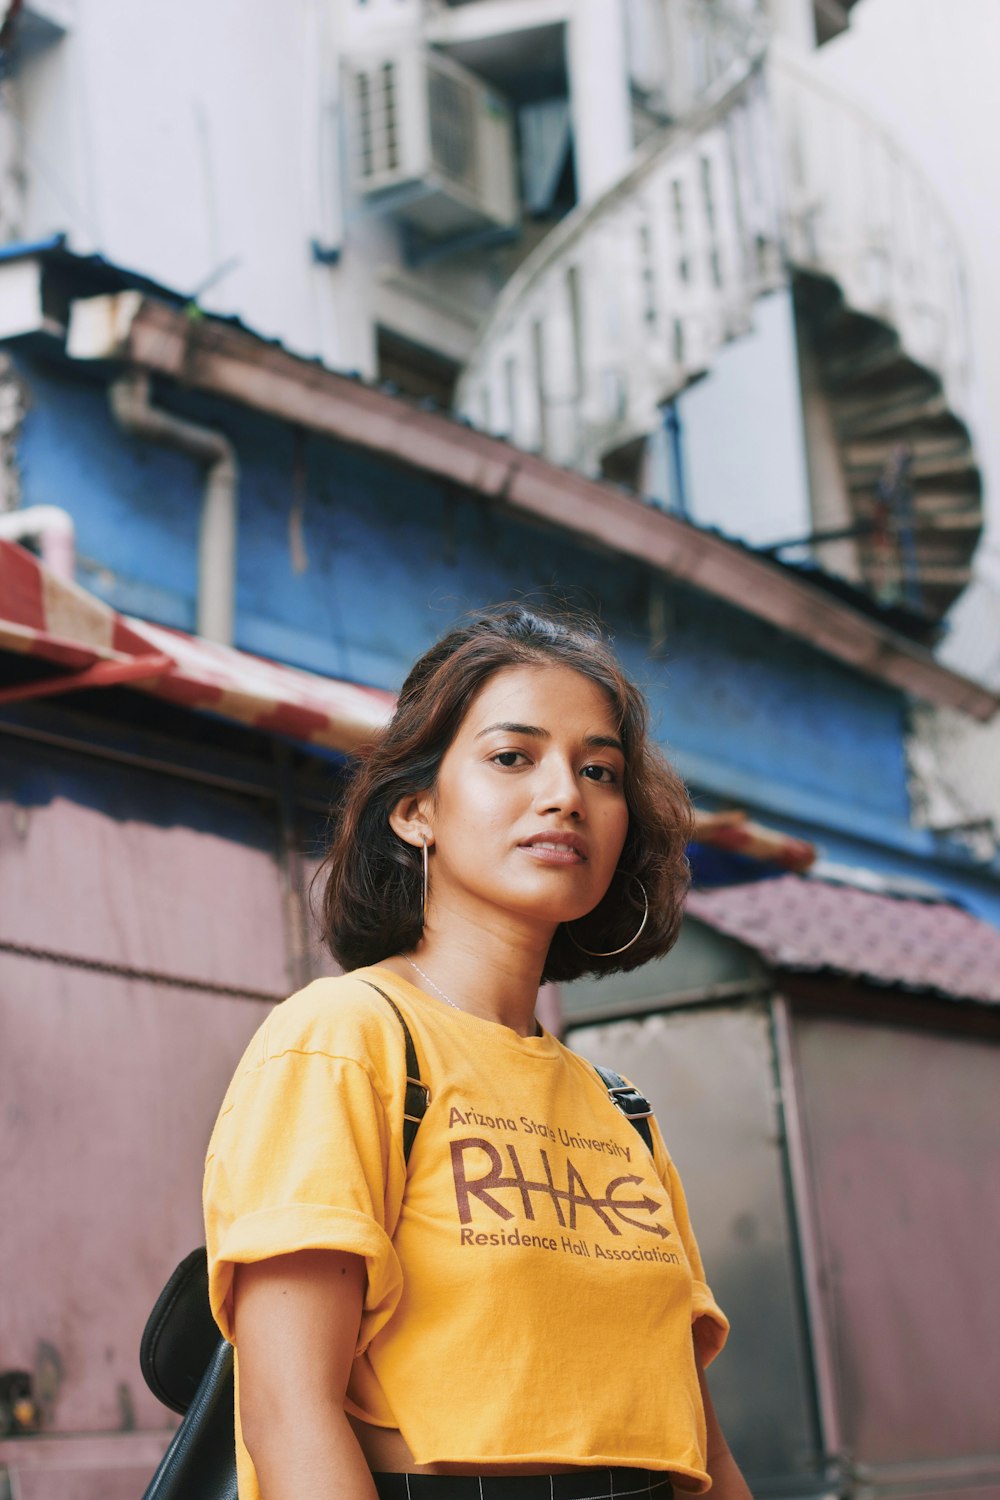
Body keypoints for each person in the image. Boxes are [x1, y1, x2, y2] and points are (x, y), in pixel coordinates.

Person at [203, 606, 752, 1500]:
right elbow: (286, 1414)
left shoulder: (620, 1109)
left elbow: (704, 1448)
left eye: (599, 770)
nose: (565, 793)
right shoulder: (345, 1039)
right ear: (417, 811)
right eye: (512, 757)